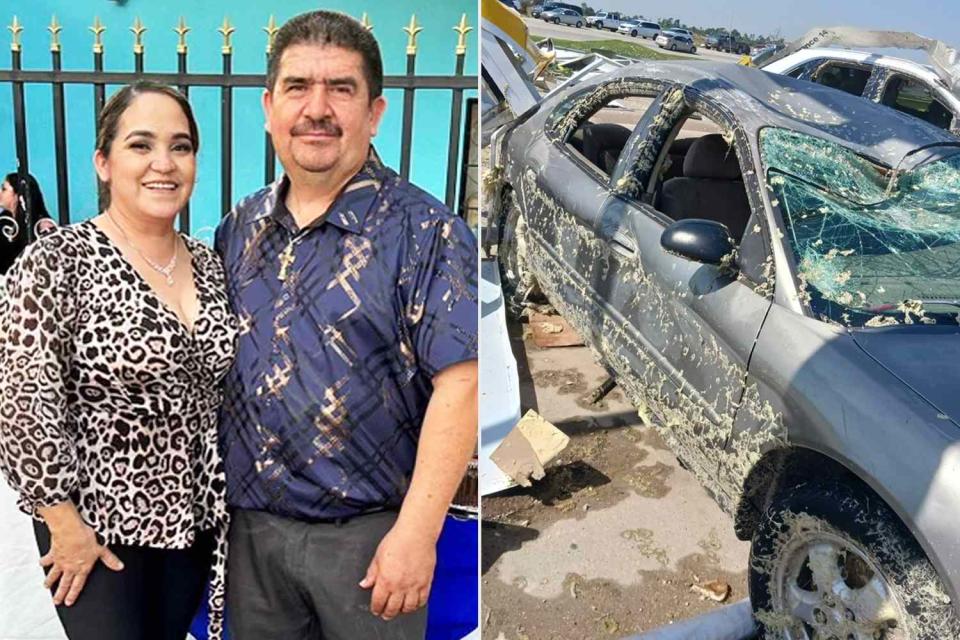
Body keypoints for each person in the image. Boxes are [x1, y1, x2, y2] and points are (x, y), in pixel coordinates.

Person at [216, 10, 478, 640]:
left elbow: (463, 385)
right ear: (269, 106)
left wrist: (417, 534)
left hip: (368, 546)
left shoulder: (426, 232)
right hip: (250, 537)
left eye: (341, 88)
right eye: (298, 87)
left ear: (375, 112)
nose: (318, 108)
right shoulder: (241, 226)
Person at [0, 81, 237, 640]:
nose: (164, 163)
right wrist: (63, 523)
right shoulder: (57, 261)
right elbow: (21, 402)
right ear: (103, 162)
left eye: (180, 146)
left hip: (192, 524)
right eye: (140, 145)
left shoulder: (209, 263)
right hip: (97, 529)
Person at [0, 172, 55, 274]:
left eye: (4, 189)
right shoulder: (4, 221)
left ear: (18, 195)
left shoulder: (41, 227)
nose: (0, 193)